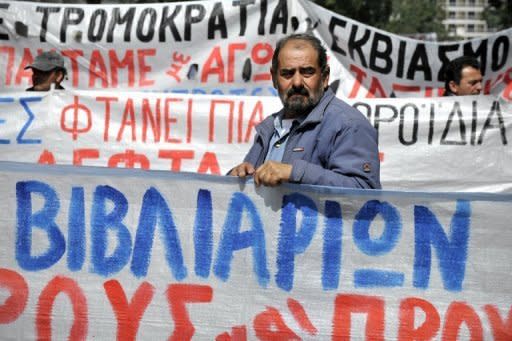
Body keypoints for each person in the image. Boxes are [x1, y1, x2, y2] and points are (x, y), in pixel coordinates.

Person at [229, 33, 381, 189]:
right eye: (287, 73)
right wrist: (237, 176)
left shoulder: (347, 125)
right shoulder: (269, 128)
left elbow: (365, 192)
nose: (297, 82)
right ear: (274, 78)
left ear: (325, 77)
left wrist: (294, 172)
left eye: (307, 72)